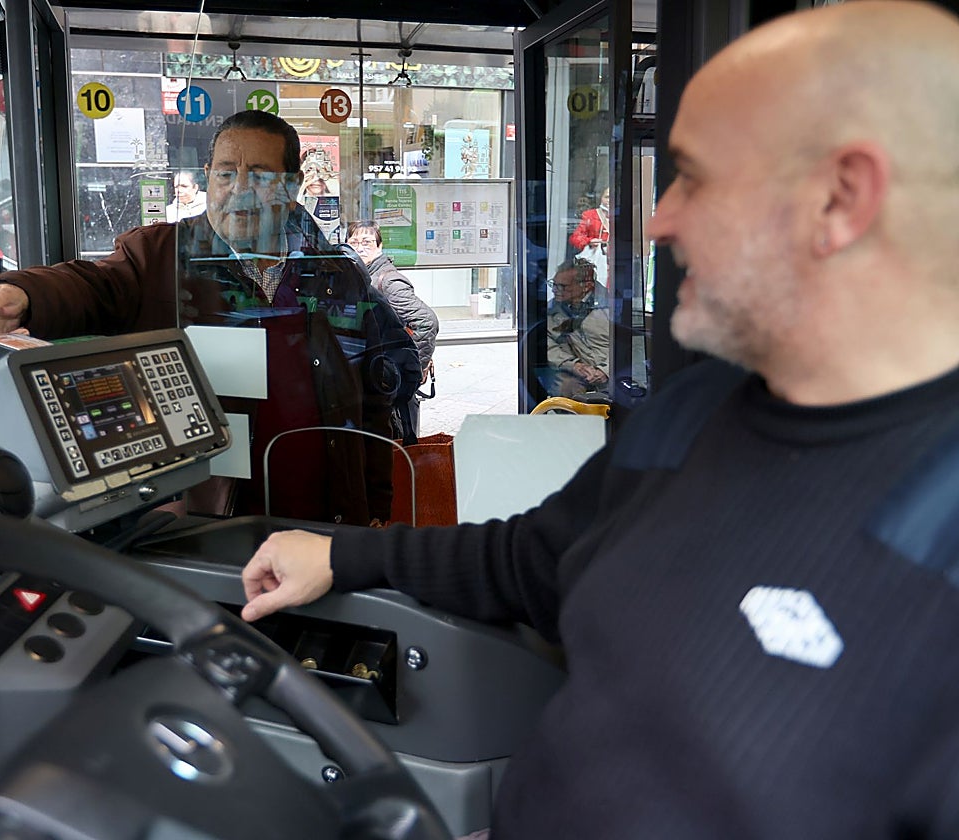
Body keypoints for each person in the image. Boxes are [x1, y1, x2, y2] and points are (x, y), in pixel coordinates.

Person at [237, 3, 959, 837]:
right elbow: (530, 558)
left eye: (695, 177)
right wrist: (340, 552)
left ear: (840, 198)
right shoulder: (689, 418)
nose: (659, 218)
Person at [0, 110, 414, 526]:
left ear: (292, 187)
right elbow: (93, 284)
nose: (240, 189)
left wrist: (374, 506)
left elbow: (370, 404)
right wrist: (22, 294)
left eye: (260, 174)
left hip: (327, 519)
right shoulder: (159, 257)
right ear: (208, 176)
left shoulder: (333, 273)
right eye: (227, 173)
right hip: (216, 523)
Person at [346, 220, 438, 441]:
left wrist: (412, 369)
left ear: (379, 246)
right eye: (354, 242)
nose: (360, 247)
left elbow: (426, 322)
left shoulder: (388, 281)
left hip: (391, 386)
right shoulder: (363, 276)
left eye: (367, 242)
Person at [546, 256, 610, 398]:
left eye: (562, 286)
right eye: (553, 284)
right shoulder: (554, 310)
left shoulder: (612, 307)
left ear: (586, 286)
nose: (555, 290)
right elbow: (547, 344)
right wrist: (573, 365)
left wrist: (606, 371)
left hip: (613, 372)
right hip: (580, 372)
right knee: (565, 388)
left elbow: (630, 346)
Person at [569, 186, 610, 285]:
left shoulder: (621, 215)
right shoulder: (590, 215)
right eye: (607, 197)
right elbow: (575, 238)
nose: (610, 200)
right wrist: (589, 242)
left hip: (617, 263)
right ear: (601, 198)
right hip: (597, 261)